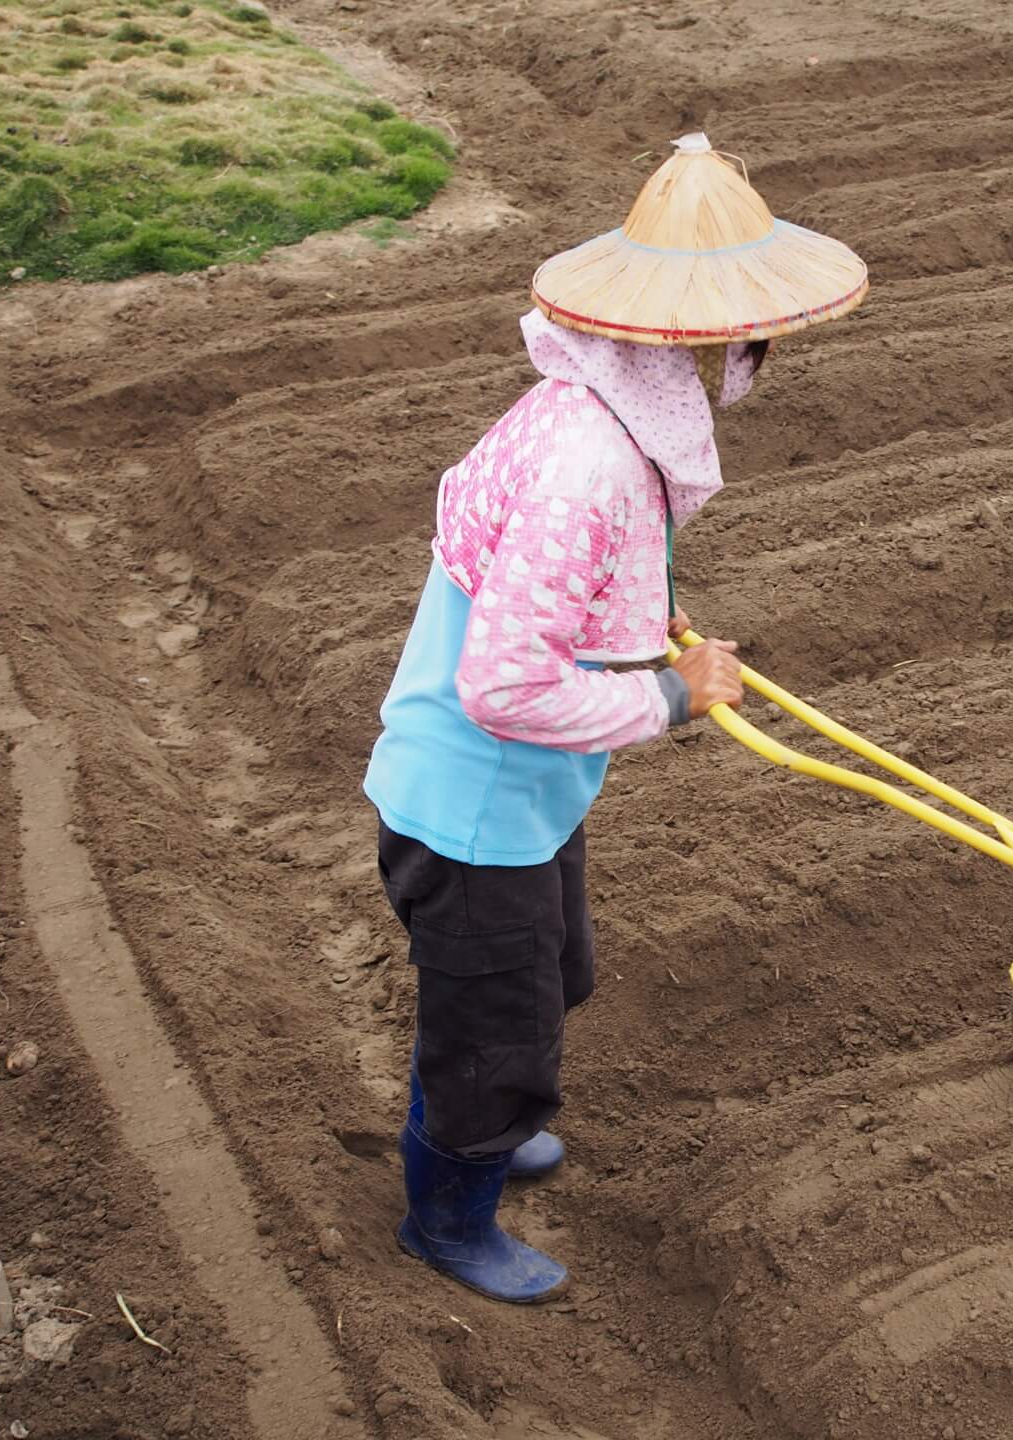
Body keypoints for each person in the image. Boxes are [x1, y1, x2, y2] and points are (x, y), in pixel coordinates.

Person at [363, 133, 867, 1303]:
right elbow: (504, 686)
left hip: (522, 798)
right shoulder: (588, 464)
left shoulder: (590, 401)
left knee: (550, 977)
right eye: (751, 332)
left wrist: (666, 623)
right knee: (500, 1034)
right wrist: (671, 696)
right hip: (474, 809)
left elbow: (576, 587)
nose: (759, 353)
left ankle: (472, 1113)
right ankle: (447, 1214)